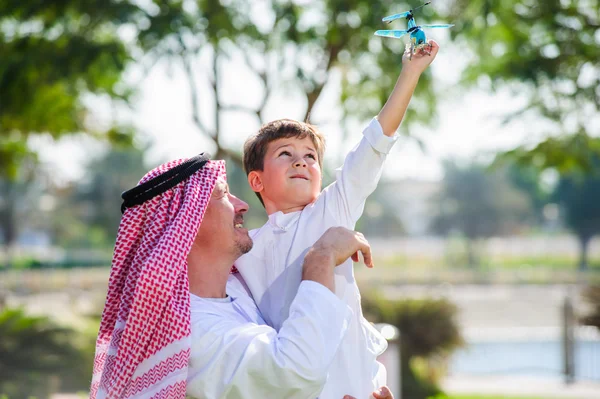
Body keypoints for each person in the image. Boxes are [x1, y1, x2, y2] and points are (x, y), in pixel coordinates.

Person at [90, 154, 393, 399]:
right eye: (224, 195)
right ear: (185, 224)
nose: (243, 204)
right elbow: (294, 372)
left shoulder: (239, 295)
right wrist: (321, 259)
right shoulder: (191, 332)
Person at [236, 41, 440, 399]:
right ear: (257, 180)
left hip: (353, 387)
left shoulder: (332, 210)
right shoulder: (242, 248)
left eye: (310, 156)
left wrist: (410, 73)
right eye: (286, 154)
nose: (302, 162)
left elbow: (374, 145)